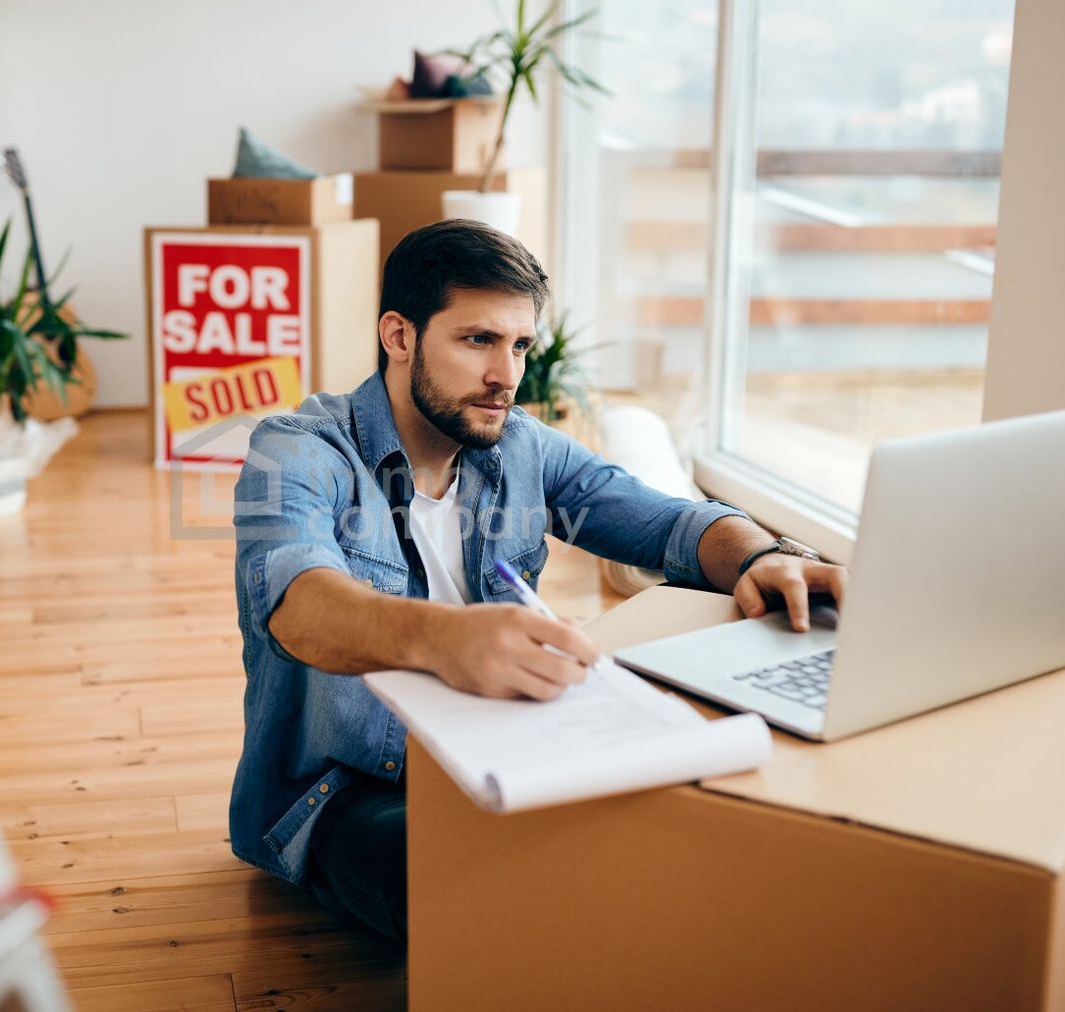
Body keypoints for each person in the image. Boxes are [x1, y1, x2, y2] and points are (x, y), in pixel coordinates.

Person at [228, 219, 847, 942]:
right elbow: (300, 606)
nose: (508, 375)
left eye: (520, 345)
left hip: (519, 746)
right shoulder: (297, 450)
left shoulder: (519, 445)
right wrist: (445, 639)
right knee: (503, 904)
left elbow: (671, 525)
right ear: (398, 337)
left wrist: (760, 557)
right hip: (350, 791)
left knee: (698, 852)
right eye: (478, 340)